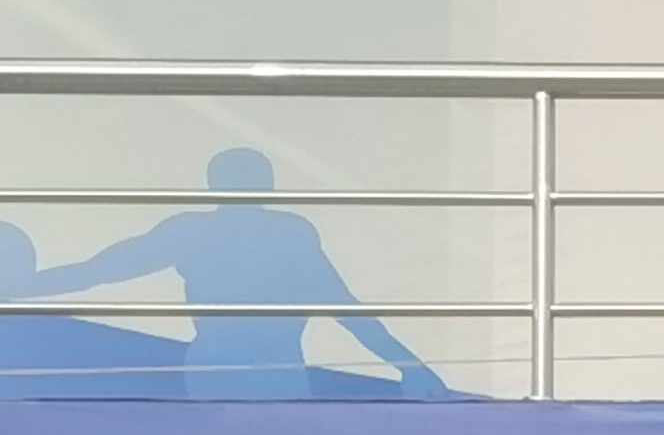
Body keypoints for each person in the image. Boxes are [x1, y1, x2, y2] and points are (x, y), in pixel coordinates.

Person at [14, 149, 450, 399]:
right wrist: (410, 367)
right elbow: (346, 309)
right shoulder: (284, 233)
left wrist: (24, 288)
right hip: (261, 373)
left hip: (239, 372)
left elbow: (100, 271)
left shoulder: (207, 232)